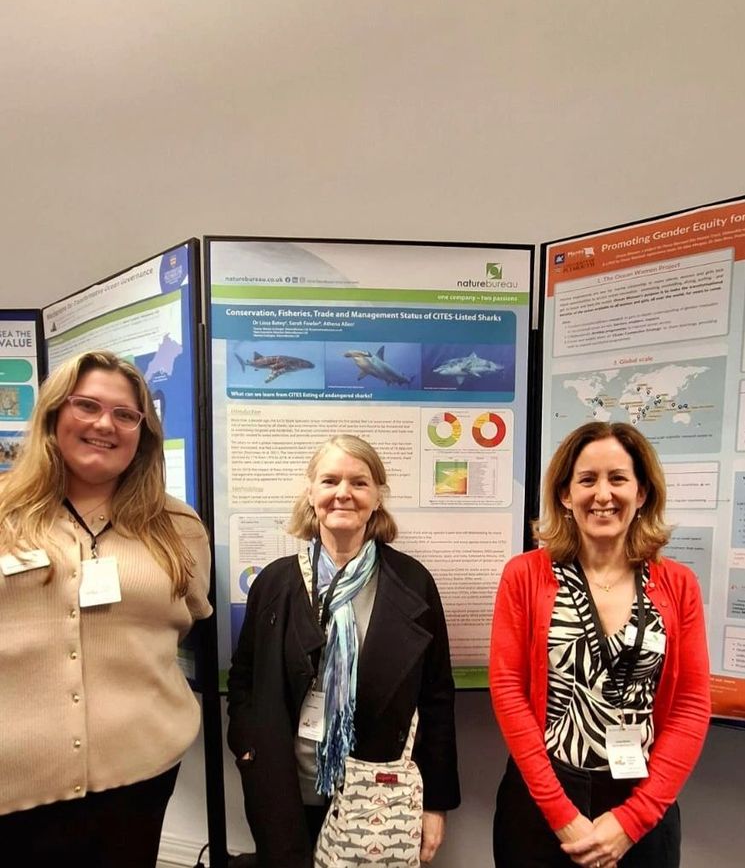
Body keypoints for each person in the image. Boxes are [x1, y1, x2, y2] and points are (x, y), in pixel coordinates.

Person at [0, 350, 212, 868]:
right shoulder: (4, 510)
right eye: (87, 405)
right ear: (54, 414)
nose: (104, 424)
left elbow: (189, 616)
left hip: (139, 779)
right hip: (12, 787)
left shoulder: (179, 527)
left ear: (144, 432)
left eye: (125, 414)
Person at [227, 433, 460, 868]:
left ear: (377, 497)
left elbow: (436, 698)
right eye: (330, 481)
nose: (343, 493)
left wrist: (435, 804)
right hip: (284, 788)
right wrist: (247, 749)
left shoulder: (413, 583)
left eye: (359, 482)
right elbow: (243, 680)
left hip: (377, 799)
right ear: (311, 493)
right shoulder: (274, 583)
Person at [489, 422, 710, 868]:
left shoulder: (678, 584)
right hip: (542, 801)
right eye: (587, 479)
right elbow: (509, 691)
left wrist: (633, 820)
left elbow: (691, 705)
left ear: (642, 492)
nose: (603, 494)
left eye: (618, 478)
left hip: (642, 802)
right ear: (565, 494)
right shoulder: (525, 575)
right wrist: (563, 817)